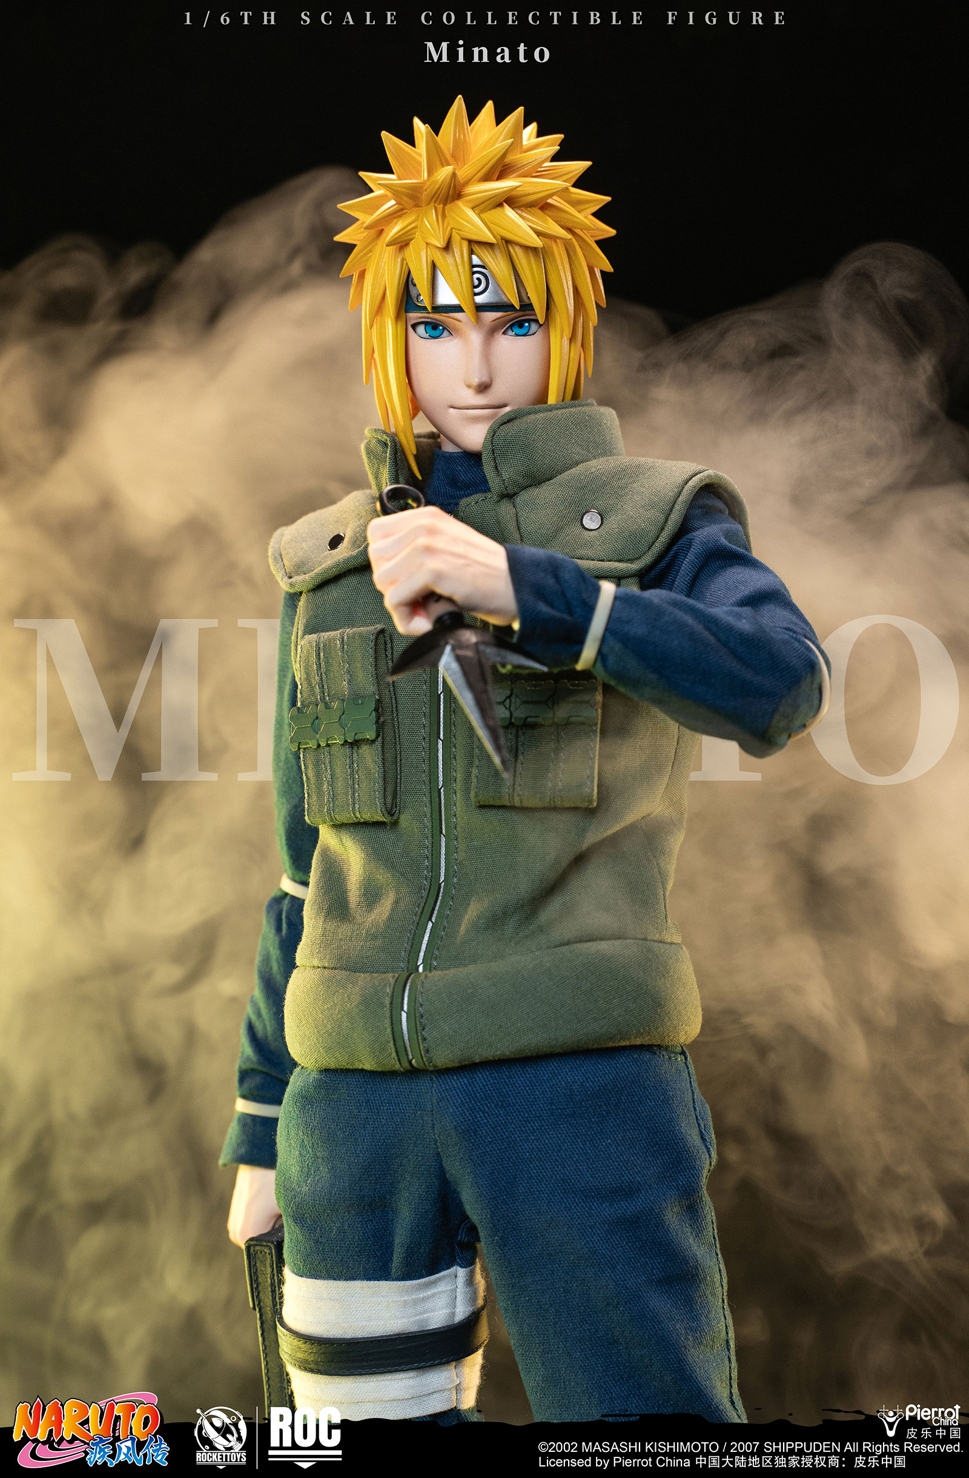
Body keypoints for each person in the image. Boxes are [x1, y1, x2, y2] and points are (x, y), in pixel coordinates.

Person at [221, 97, 828, 1424]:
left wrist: (530, 588)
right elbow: (304, 869)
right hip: (351, 1113)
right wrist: (266, 1123)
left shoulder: (655, 519)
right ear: (389, 339)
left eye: (512, 322)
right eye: (435, 326)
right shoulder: (327, 567)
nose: (477, 366)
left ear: (565, 328)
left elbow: (781, 682)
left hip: (577, 1084)